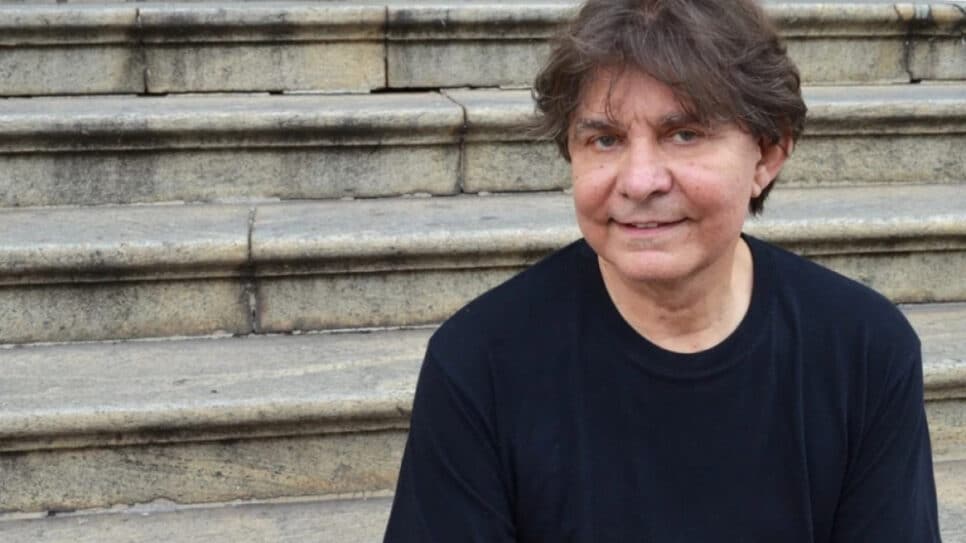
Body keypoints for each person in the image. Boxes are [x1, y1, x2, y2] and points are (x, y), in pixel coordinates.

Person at [384, 0, 941, 540]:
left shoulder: (864, 350)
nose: (639, 181)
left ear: (767, 155)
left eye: (684, 134)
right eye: (605, 139)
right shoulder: (479, 364)